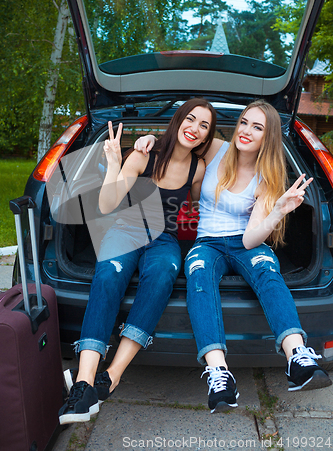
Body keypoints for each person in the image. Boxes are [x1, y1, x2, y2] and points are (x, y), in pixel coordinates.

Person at [134, 99, 332, 414]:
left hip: (245, 242)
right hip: (208, 242)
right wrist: (148, 141)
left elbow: (251, 238)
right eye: (244, 123)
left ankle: (298, 357)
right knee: (198, 274)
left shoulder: (266, 177)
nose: (246, 131)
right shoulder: (217, 149)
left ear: (268, 137)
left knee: (268, 269)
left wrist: (278, 210)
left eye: (257, 127)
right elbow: (181, 138)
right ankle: (219, 375)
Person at [58, 98, 217, 424]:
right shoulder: (143, 155)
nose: (195, 129)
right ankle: (84, 384)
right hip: (125, 231)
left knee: (162, 277)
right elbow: (106, 204)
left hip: (164, 240)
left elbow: (202, 204)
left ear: (206, 137)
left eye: (204, 126)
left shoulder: (197, 169)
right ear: (178, 121)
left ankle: (112, 375)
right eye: (191, 119)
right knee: (107, 276)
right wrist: (116, 163)